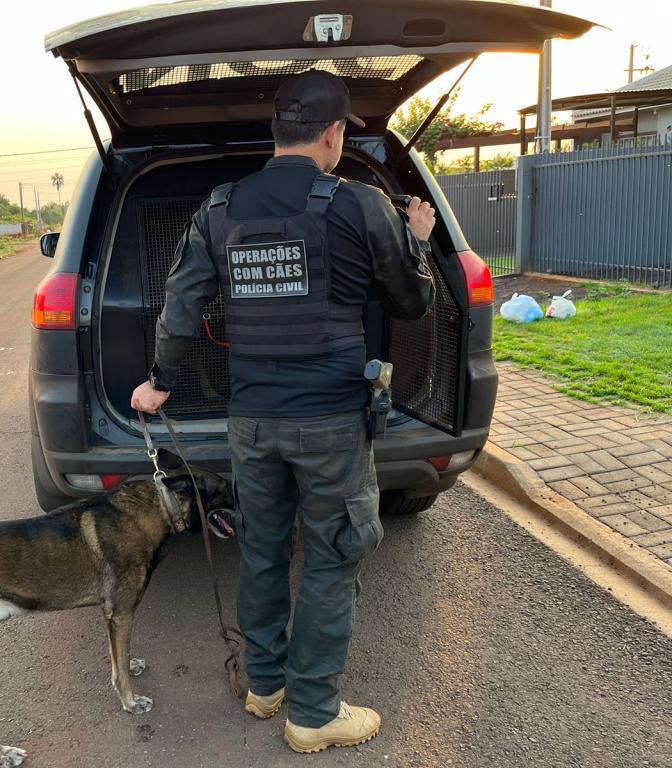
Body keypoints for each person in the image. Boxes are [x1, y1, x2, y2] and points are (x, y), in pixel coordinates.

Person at [130, 69, 436, 753]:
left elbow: (180, 306)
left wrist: (159, 383)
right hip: (330, 425)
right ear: (333, 134)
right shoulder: (360, 204)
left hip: (252, 423)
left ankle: (265, 686)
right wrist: (415, 238)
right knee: (332, 554)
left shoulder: (219, 207)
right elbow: (411, 302)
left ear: (279, 132)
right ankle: (315, 713)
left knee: (263, 551)